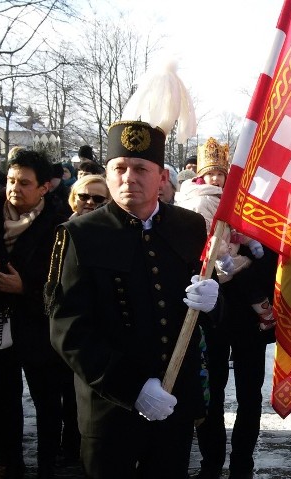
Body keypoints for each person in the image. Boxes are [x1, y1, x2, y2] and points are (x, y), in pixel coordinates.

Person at [47, 119, 219, 479]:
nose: (129, 178)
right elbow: (68, 330)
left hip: (174, 403)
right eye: (119, 168)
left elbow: (202, 317)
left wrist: (214, 302)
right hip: (109, 408)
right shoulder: (80, 234)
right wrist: (133, 388)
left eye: (141, 168)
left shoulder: (188, 226)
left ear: (162, 178)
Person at [0, 149, 72, 478]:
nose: (15, 188)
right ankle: (8, 463)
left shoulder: (59, 224)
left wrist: (24, 287)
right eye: (11, 180)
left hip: (38, 326)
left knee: (46, 402)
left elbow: (63, 283)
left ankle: (46, 465)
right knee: (1, 401)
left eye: (24, 183)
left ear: (44, 188)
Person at [177, 137, 274, 479]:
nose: (218, 180)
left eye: (223, 174)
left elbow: (269, 255)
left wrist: (247, 264)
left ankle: (243, 463)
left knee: (249, 394)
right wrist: (216, 273)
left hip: (249, 316)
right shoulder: (193, 206)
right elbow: (190, 257)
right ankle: (211, 460)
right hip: (211, 315)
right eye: (212, 174)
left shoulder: (252, 204)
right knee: (212, 392)